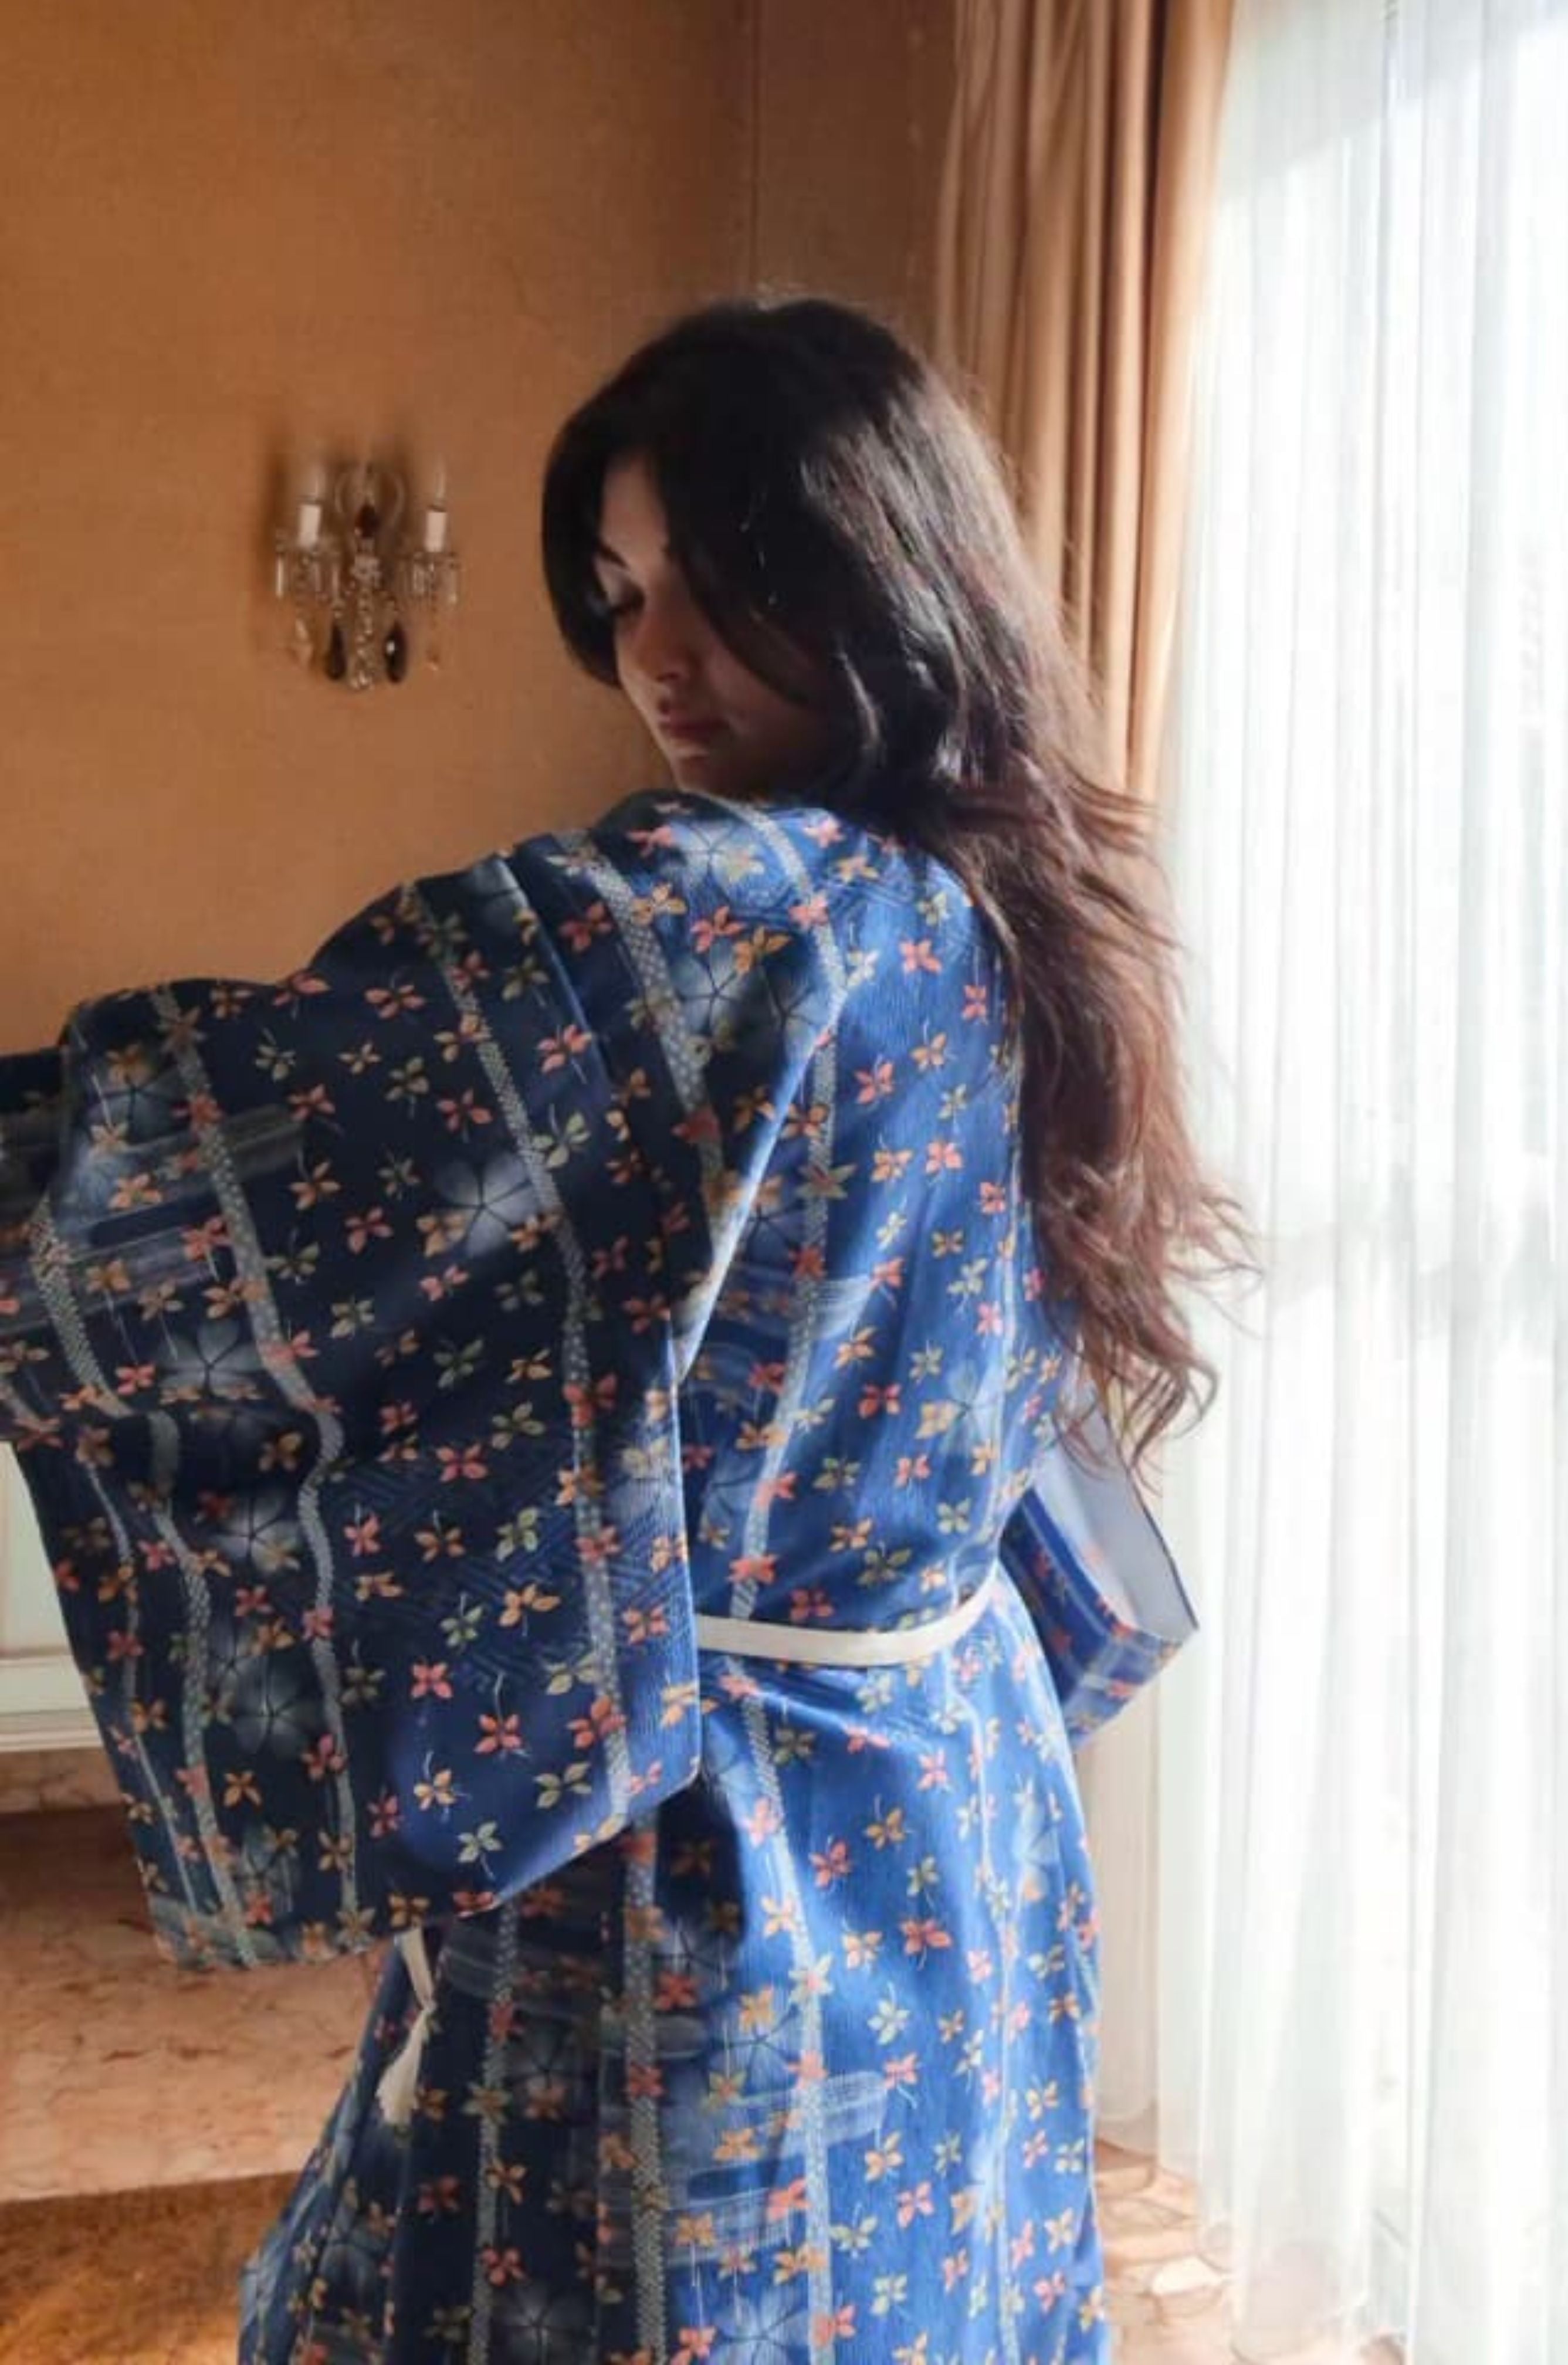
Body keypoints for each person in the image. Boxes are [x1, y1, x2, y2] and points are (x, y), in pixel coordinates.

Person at [0, 297, 1247, 2364]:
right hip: (952, 1781)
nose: (654, 659)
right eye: (617, 595)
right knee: (902, 2291)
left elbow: (225, 1159)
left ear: (876, 569)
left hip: (718, 1832)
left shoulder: (724, 911)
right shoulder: (1010, 899)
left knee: (639, 2293)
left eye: (719, 585)